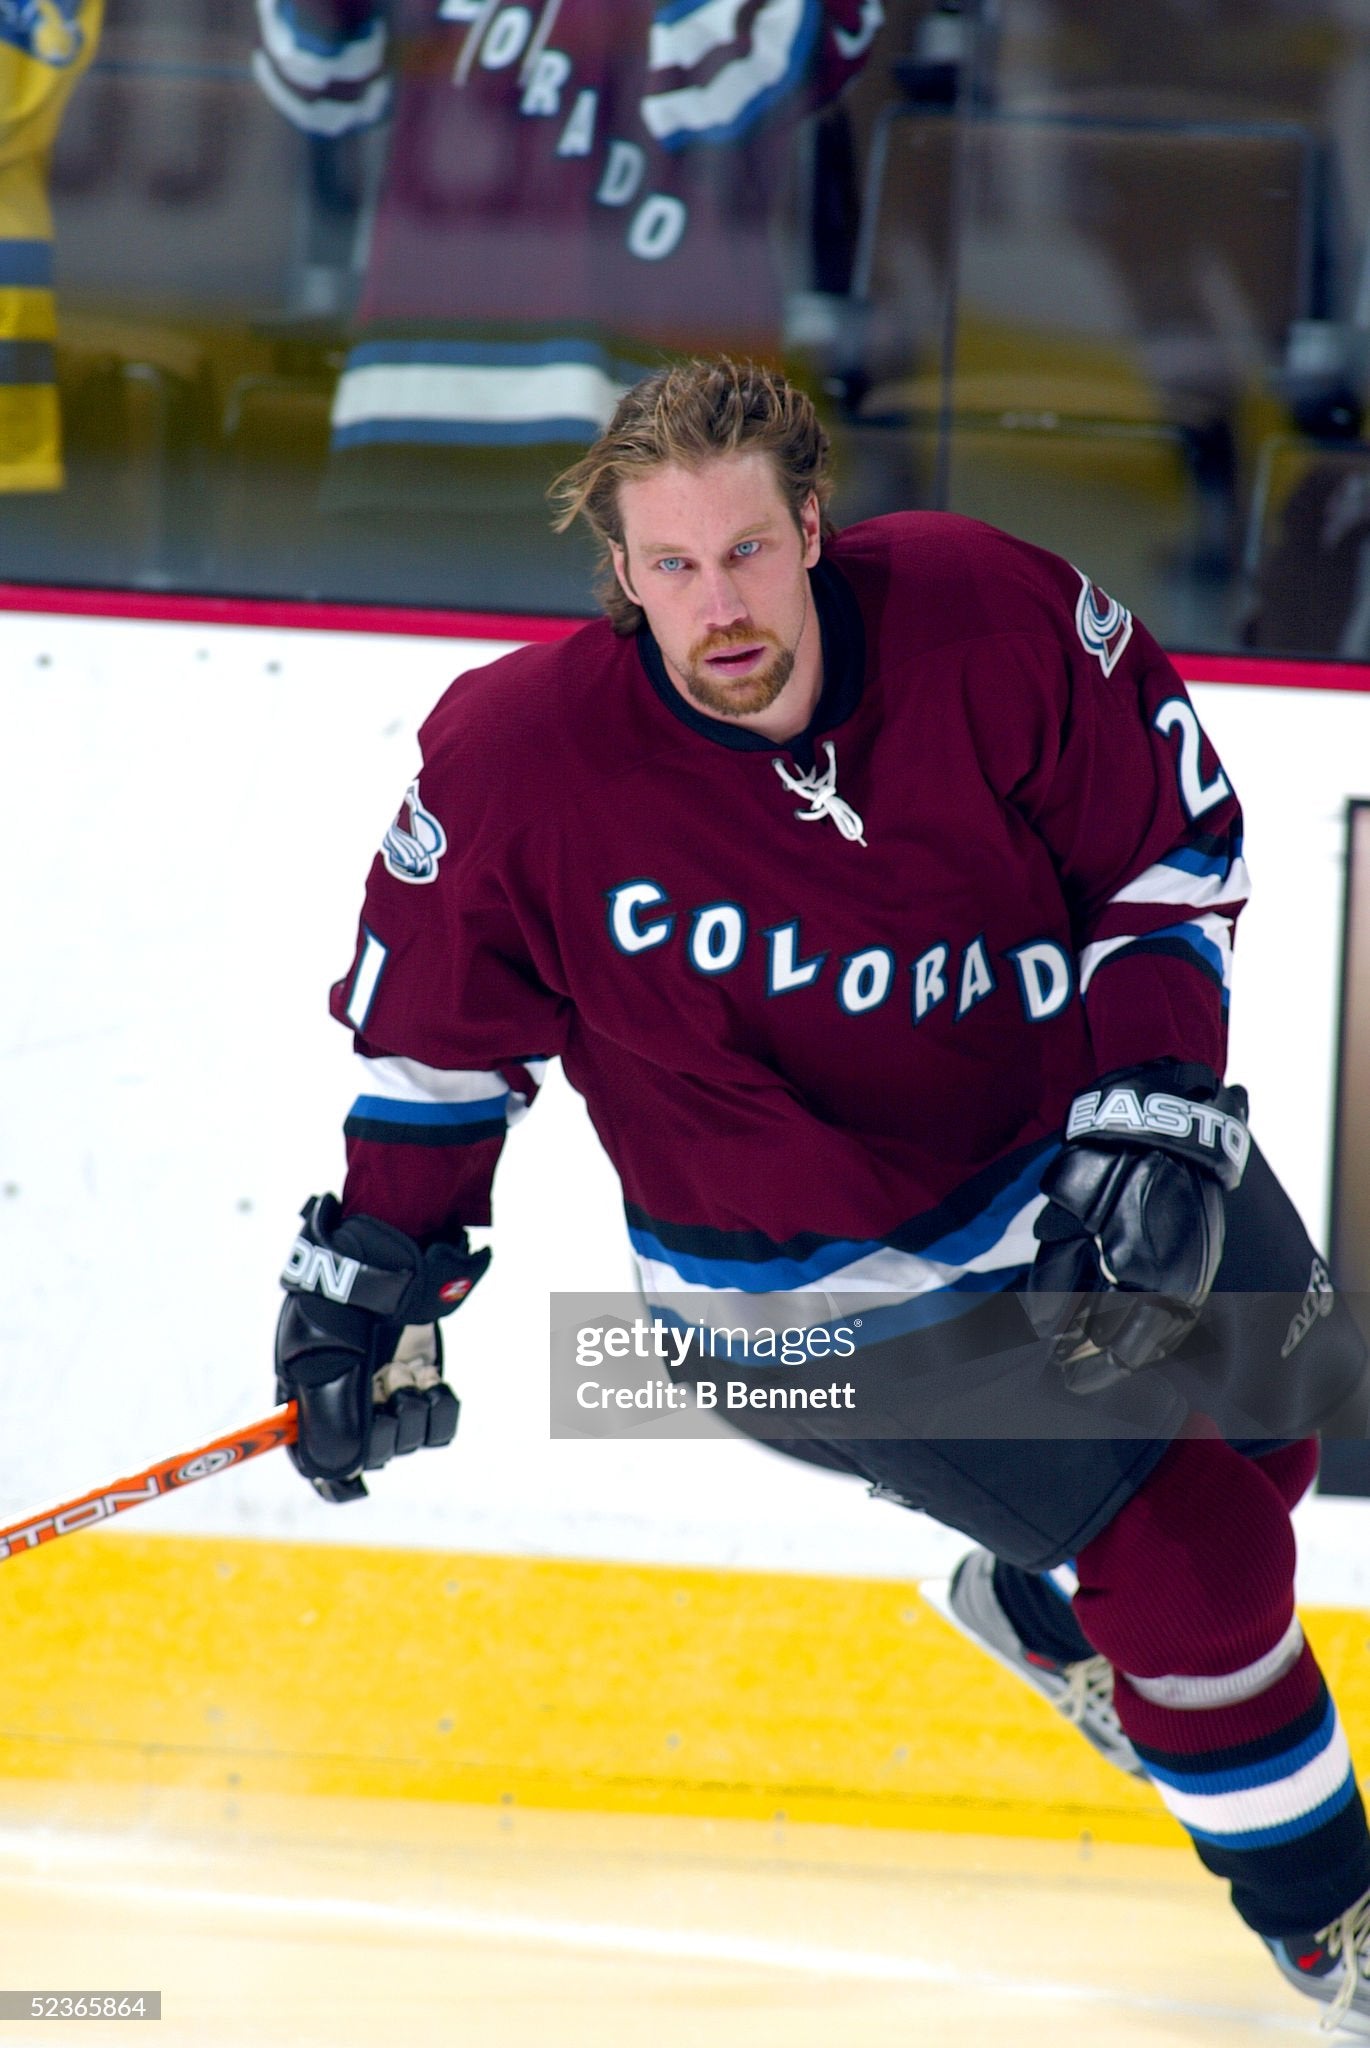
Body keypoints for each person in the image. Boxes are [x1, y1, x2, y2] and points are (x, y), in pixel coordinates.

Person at [275, 355, 1370, 2031]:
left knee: (1288, 1413)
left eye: (745, 555)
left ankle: (1034, 1602)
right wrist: (374, 1286)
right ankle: (1326, 1925)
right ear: (621, 576)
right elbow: (433, 1054)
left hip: (1064, 1153)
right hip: (811, 1296)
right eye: (669, 569)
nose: (716, 608)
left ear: (810, 527)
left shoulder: (987, 622)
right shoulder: (521, 764)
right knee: (1204, 1559)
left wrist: (1149, 1107)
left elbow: (1163, 861)